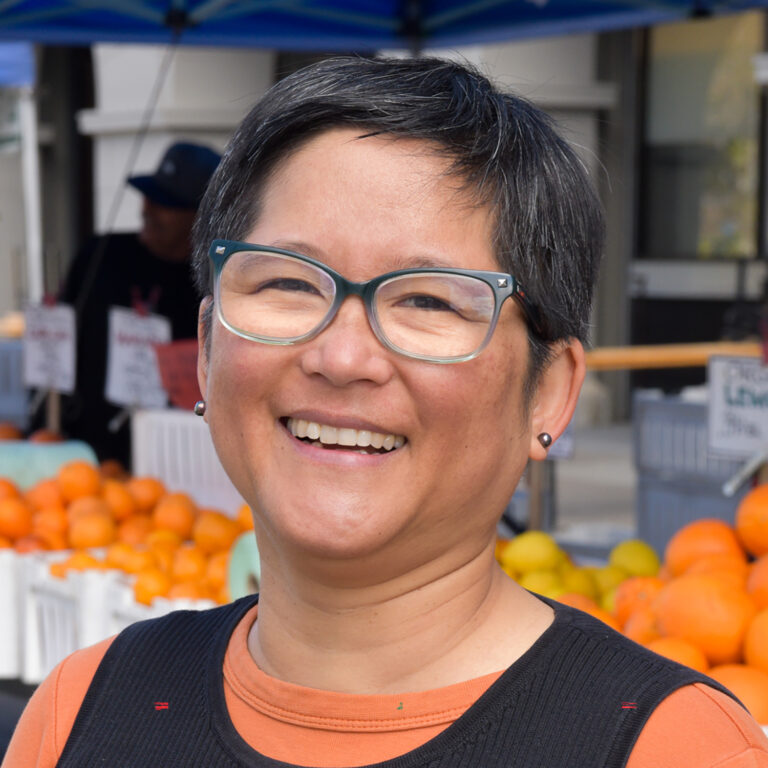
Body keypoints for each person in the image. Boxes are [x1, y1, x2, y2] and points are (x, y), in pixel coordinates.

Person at [5, 56, 768, 768]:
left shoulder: (670, 744)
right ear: (206, 348)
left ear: (550, 391)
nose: (341, 357)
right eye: (288, 284)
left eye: (428, 300)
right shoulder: (81, 713)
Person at [50, 141, 221, 468]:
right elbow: (59, 342)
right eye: (149, 196)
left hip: (177, 463)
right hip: (86, 456)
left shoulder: (215, 284)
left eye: (166, 203)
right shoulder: (100, 256)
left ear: (200, 220)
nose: (147, 209)